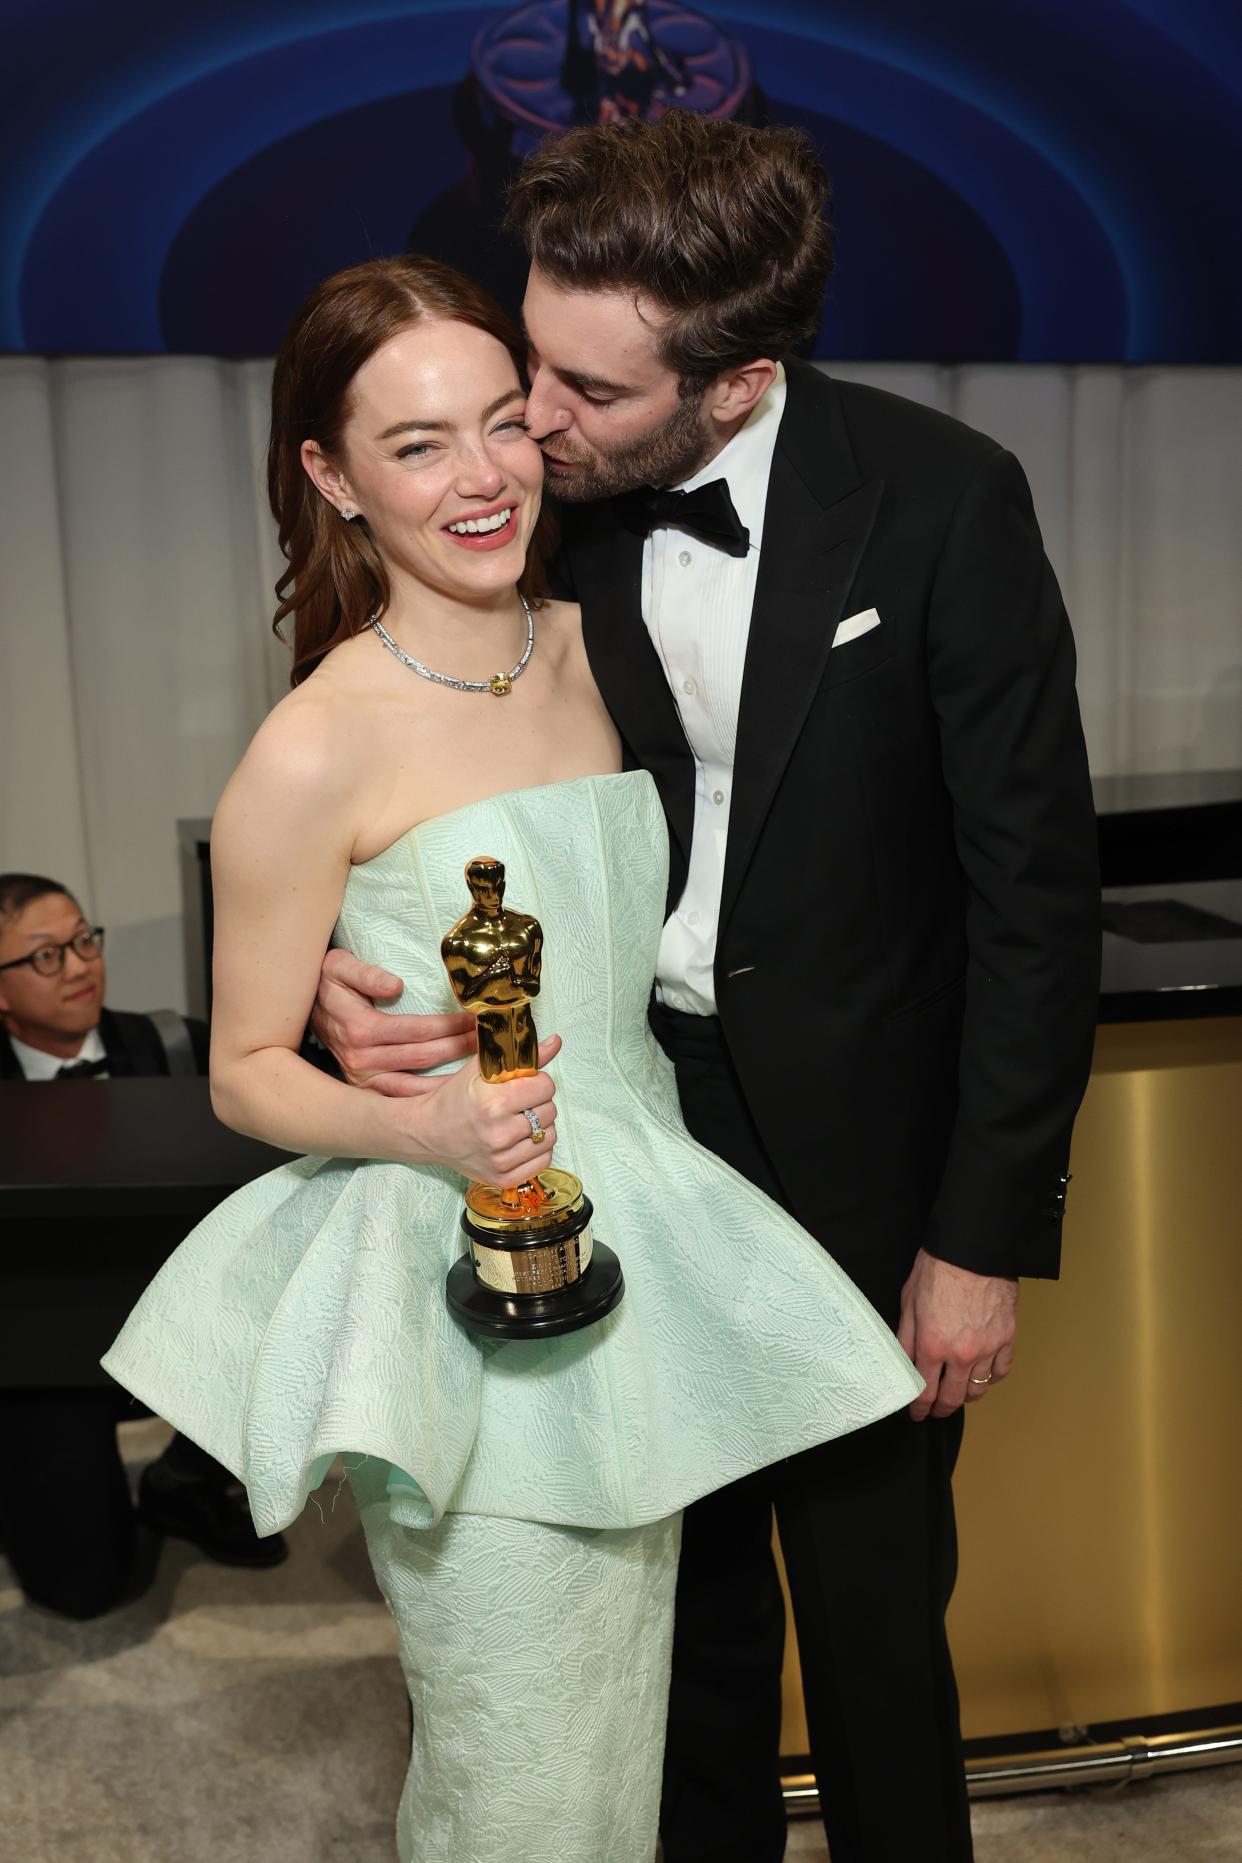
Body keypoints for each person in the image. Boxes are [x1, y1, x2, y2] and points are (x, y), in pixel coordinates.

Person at [313, 114, 1102, 1862]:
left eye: (584, 390)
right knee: (681, 1623)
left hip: (862, 1162)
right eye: (530, 358)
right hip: (622, 1121)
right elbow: (395, 772)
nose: (531, 420)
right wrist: (332, 978)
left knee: (878, 1621)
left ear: (735, 381)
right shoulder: (529, 507)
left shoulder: (943, 499)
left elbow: (1035, 907)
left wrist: (978, 1239)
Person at [102, 254, 919, 1863]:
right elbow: (247, 1069)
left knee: (632, 1743)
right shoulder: (314, 744)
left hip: (649, 1235)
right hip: (464, 1280)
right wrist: (433, 1138)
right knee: (520, 1768)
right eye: (415, 444)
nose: (482, 477)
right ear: (331, 475)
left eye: (501, 424)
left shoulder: (582, 637)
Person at [0, 872, 284, 1618]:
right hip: (39, 1355)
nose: (81, 965)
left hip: (180, 1314)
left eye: (85, 940)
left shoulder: (176, 1045)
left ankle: (184, 1479)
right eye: (46, 956)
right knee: (85, 1588)